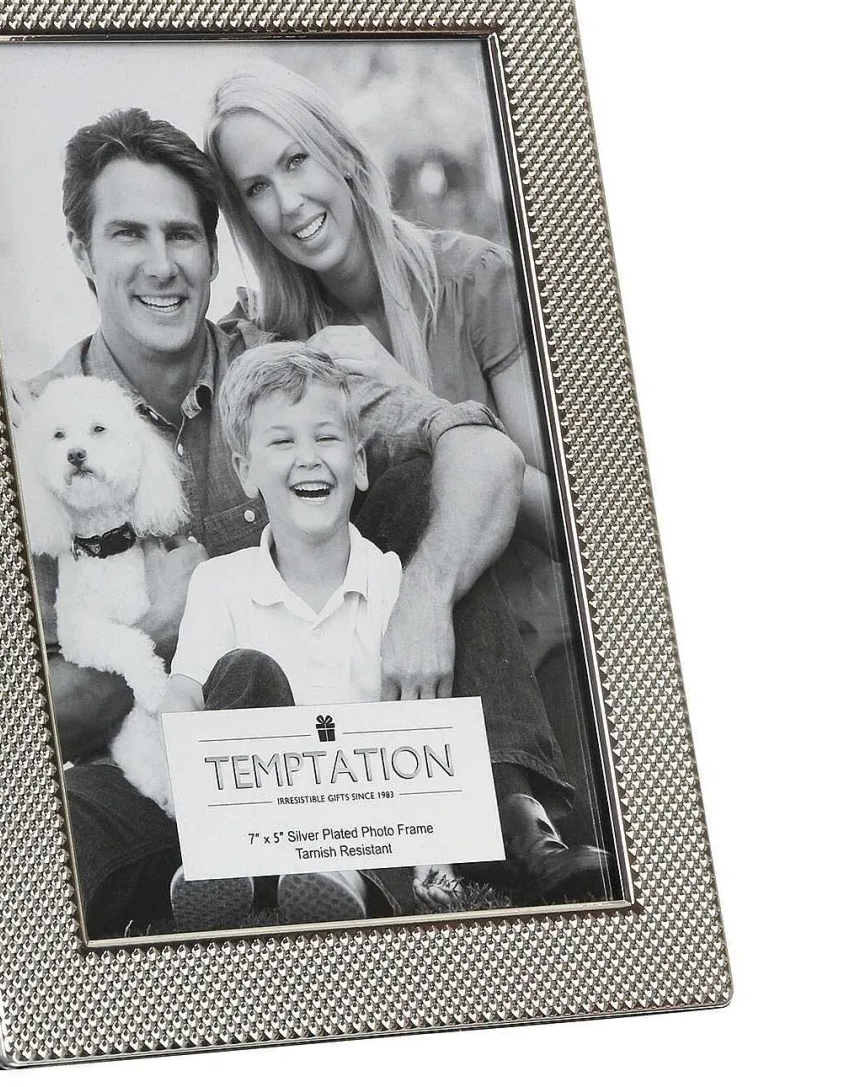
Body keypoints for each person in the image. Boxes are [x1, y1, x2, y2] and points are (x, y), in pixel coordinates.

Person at [20, 106, 605, 938]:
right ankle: (217, 891)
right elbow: (18, 714)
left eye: (182, 236)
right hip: (173, 770)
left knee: (420, 491)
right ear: (82, 251)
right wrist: (161, 628)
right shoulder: (39, 432)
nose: (162, 265)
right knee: (52, 836)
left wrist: (424, 596)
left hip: (354, 744)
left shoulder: (290, 366)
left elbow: (482, 457)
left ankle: (513, 818)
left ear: (213, 252)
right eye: (127, 235)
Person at [205, 61, 606, 846]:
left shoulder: (473, 280)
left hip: (539, 644)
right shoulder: (278, 349)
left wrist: (416, 408)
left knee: (597, 840)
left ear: (341, 153)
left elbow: (573, 529)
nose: (288, 204)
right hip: (386, 677)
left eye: (296, 161)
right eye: (256, 188)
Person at [162, 342, 465, 930]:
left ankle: (338, 880)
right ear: (245, 472)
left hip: (363, 818)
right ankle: (223, 865)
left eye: (326, 438)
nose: (308, 458)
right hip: (258, 812)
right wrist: (187, 766)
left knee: (385, 820)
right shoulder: (219, 582)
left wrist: (438, 850)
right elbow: (185, 693)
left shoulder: (393, 583)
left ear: (359, 462)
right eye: (281, 442)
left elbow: (422, 729)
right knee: (244, 670)